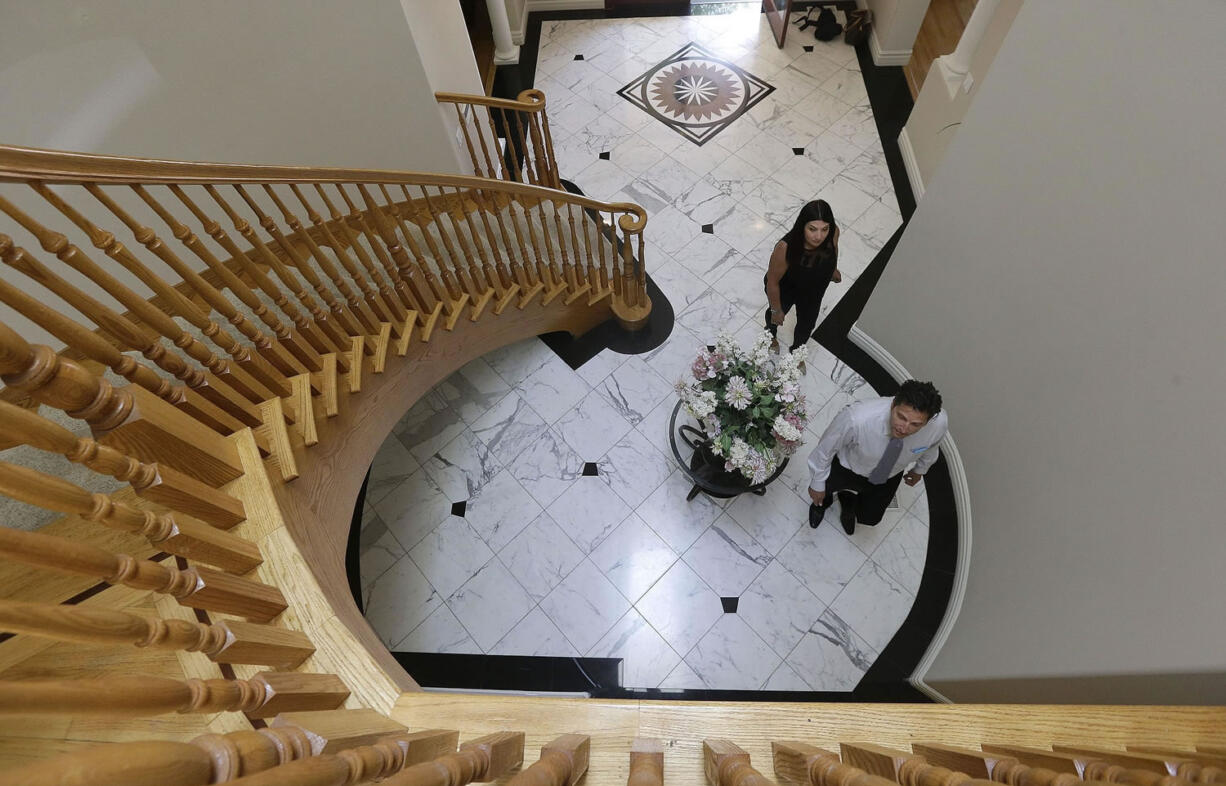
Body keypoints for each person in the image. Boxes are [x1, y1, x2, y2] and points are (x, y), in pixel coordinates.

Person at [806, 380, 947, 534]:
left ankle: (848, 503)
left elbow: (932, 446)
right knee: (823, 490)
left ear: (928, 421)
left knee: (870, 517)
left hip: (888, 475)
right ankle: (821, 504)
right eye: (901, 417)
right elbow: (826, 449)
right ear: (893, 405)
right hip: (847, 467)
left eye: (915, 424)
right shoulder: (857, 418)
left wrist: (920, 469)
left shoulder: (938, 424)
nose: (904, 428)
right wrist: (817, 483)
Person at [764, 200, 843, 355]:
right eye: (812, 229)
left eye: (824, 229)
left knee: (807, 324)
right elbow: (772, 282)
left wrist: (832, 269)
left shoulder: (834, 232)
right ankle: (770, 336)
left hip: (814, 289)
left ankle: (796, 352)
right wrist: (776, 310)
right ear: (802, 226)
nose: (819, 236)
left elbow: (833, 251)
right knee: (775, 316)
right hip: (787, 286)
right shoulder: (785, 248)